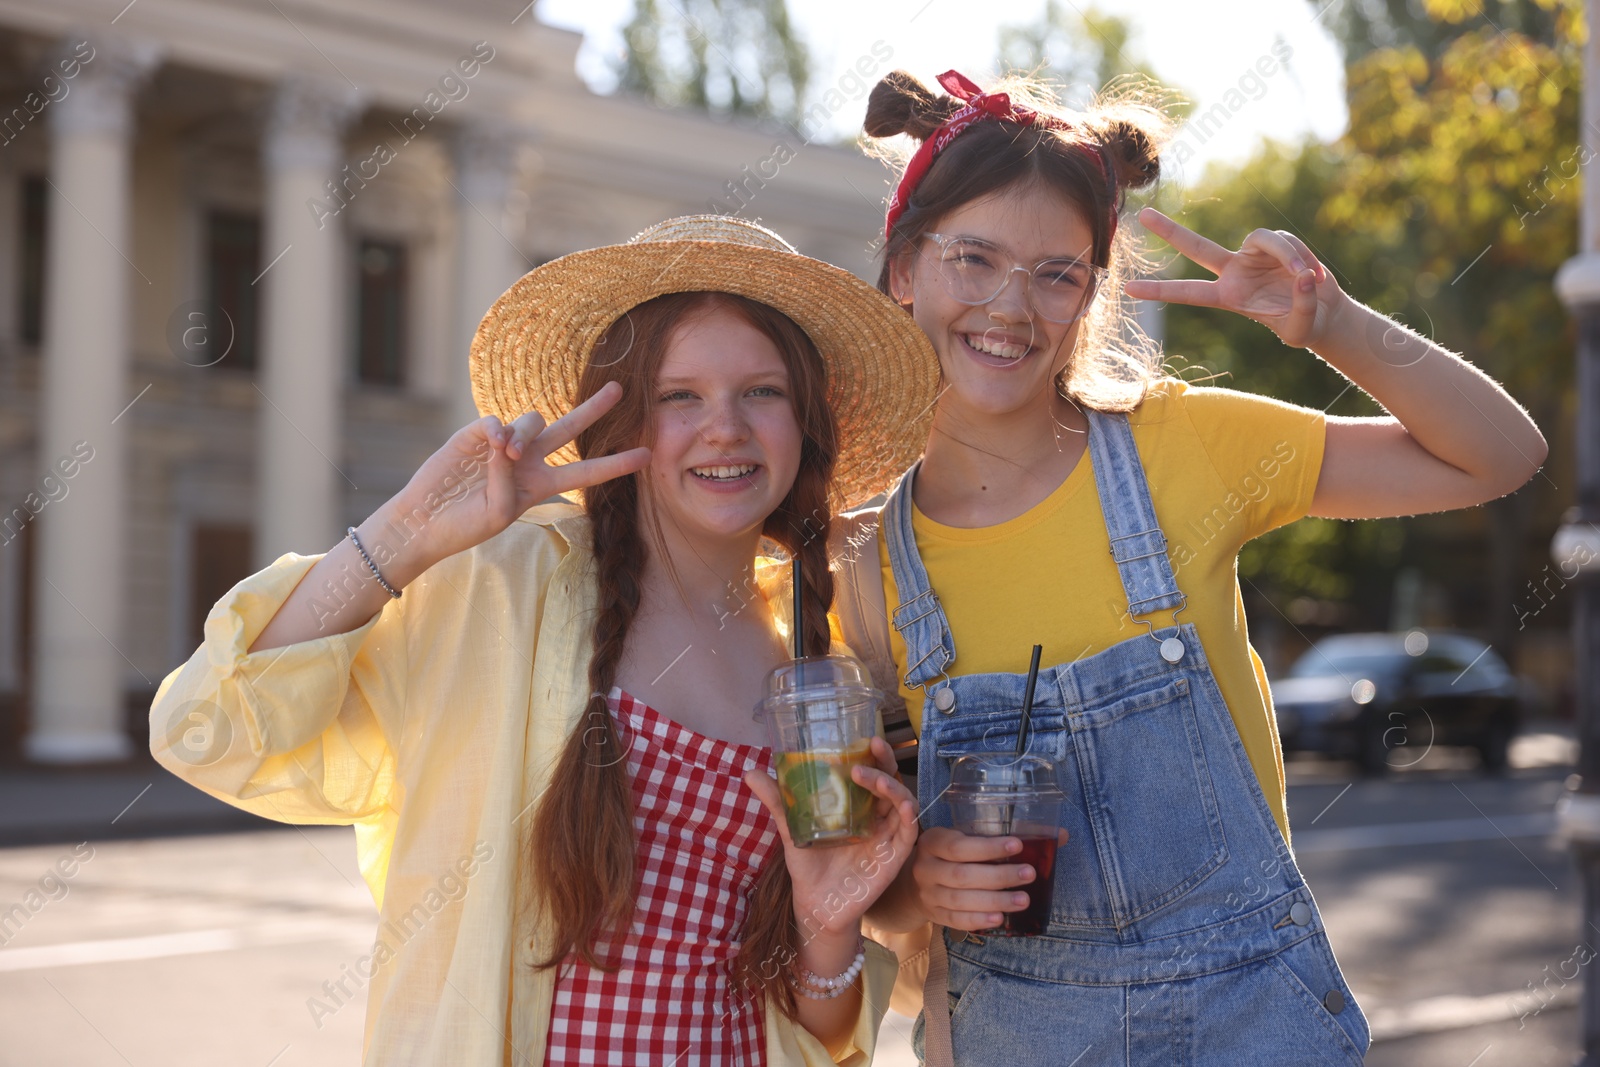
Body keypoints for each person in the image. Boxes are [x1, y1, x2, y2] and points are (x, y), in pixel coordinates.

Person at [839, 71, 1547, 1065]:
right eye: (973, 258)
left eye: (1057, 271)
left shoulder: (1183, 449)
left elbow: (1500, 455)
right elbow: (857, 862)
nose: (1011, 305)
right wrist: (923, 878)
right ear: (905, 264)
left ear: (1093, 289)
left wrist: (1333, 323)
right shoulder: (859, 565)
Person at [149, 215, 943, 1065]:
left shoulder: (818, 668)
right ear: (620, 423)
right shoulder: (505, 583)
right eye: (680, 395)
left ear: (806, 423)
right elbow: (211, 724)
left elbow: (820, 1035)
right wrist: (406, 531)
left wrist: (826, 931)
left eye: (763, 391)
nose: (726, 428)